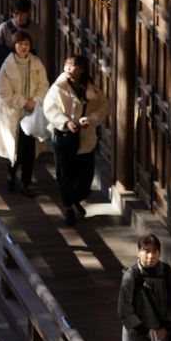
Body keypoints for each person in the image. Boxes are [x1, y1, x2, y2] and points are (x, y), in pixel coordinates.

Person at [43, 53, 108, 225]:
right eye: (67, 65)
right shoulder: (58, 87)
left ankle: (74, 199)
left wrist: (90, 119)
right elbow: (49, 109)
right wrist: (65, 123)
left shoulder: (91, 88)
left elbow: (103, 106)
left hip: (85, 135)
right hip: (64, 136)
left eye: (73, 66)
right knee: (66, 175)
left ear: (82, 69)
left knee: (85, 177)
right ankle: (69, 208)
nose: (69, 69)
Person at [0, 31, 49, 198]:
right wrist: (23, 101)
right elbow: (2, 92)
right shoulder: (7, 65)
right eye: (20, 44)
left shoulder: (36, 63)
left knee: (29, 150)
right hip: (13, 114)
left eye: (27, 44)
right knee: (14, 149)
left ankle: (25, 183)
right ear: (14, 46)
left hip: (32, 114)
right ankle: (11, 176)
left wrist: (35, 101)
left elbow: (44, 86)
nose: (24, 47)